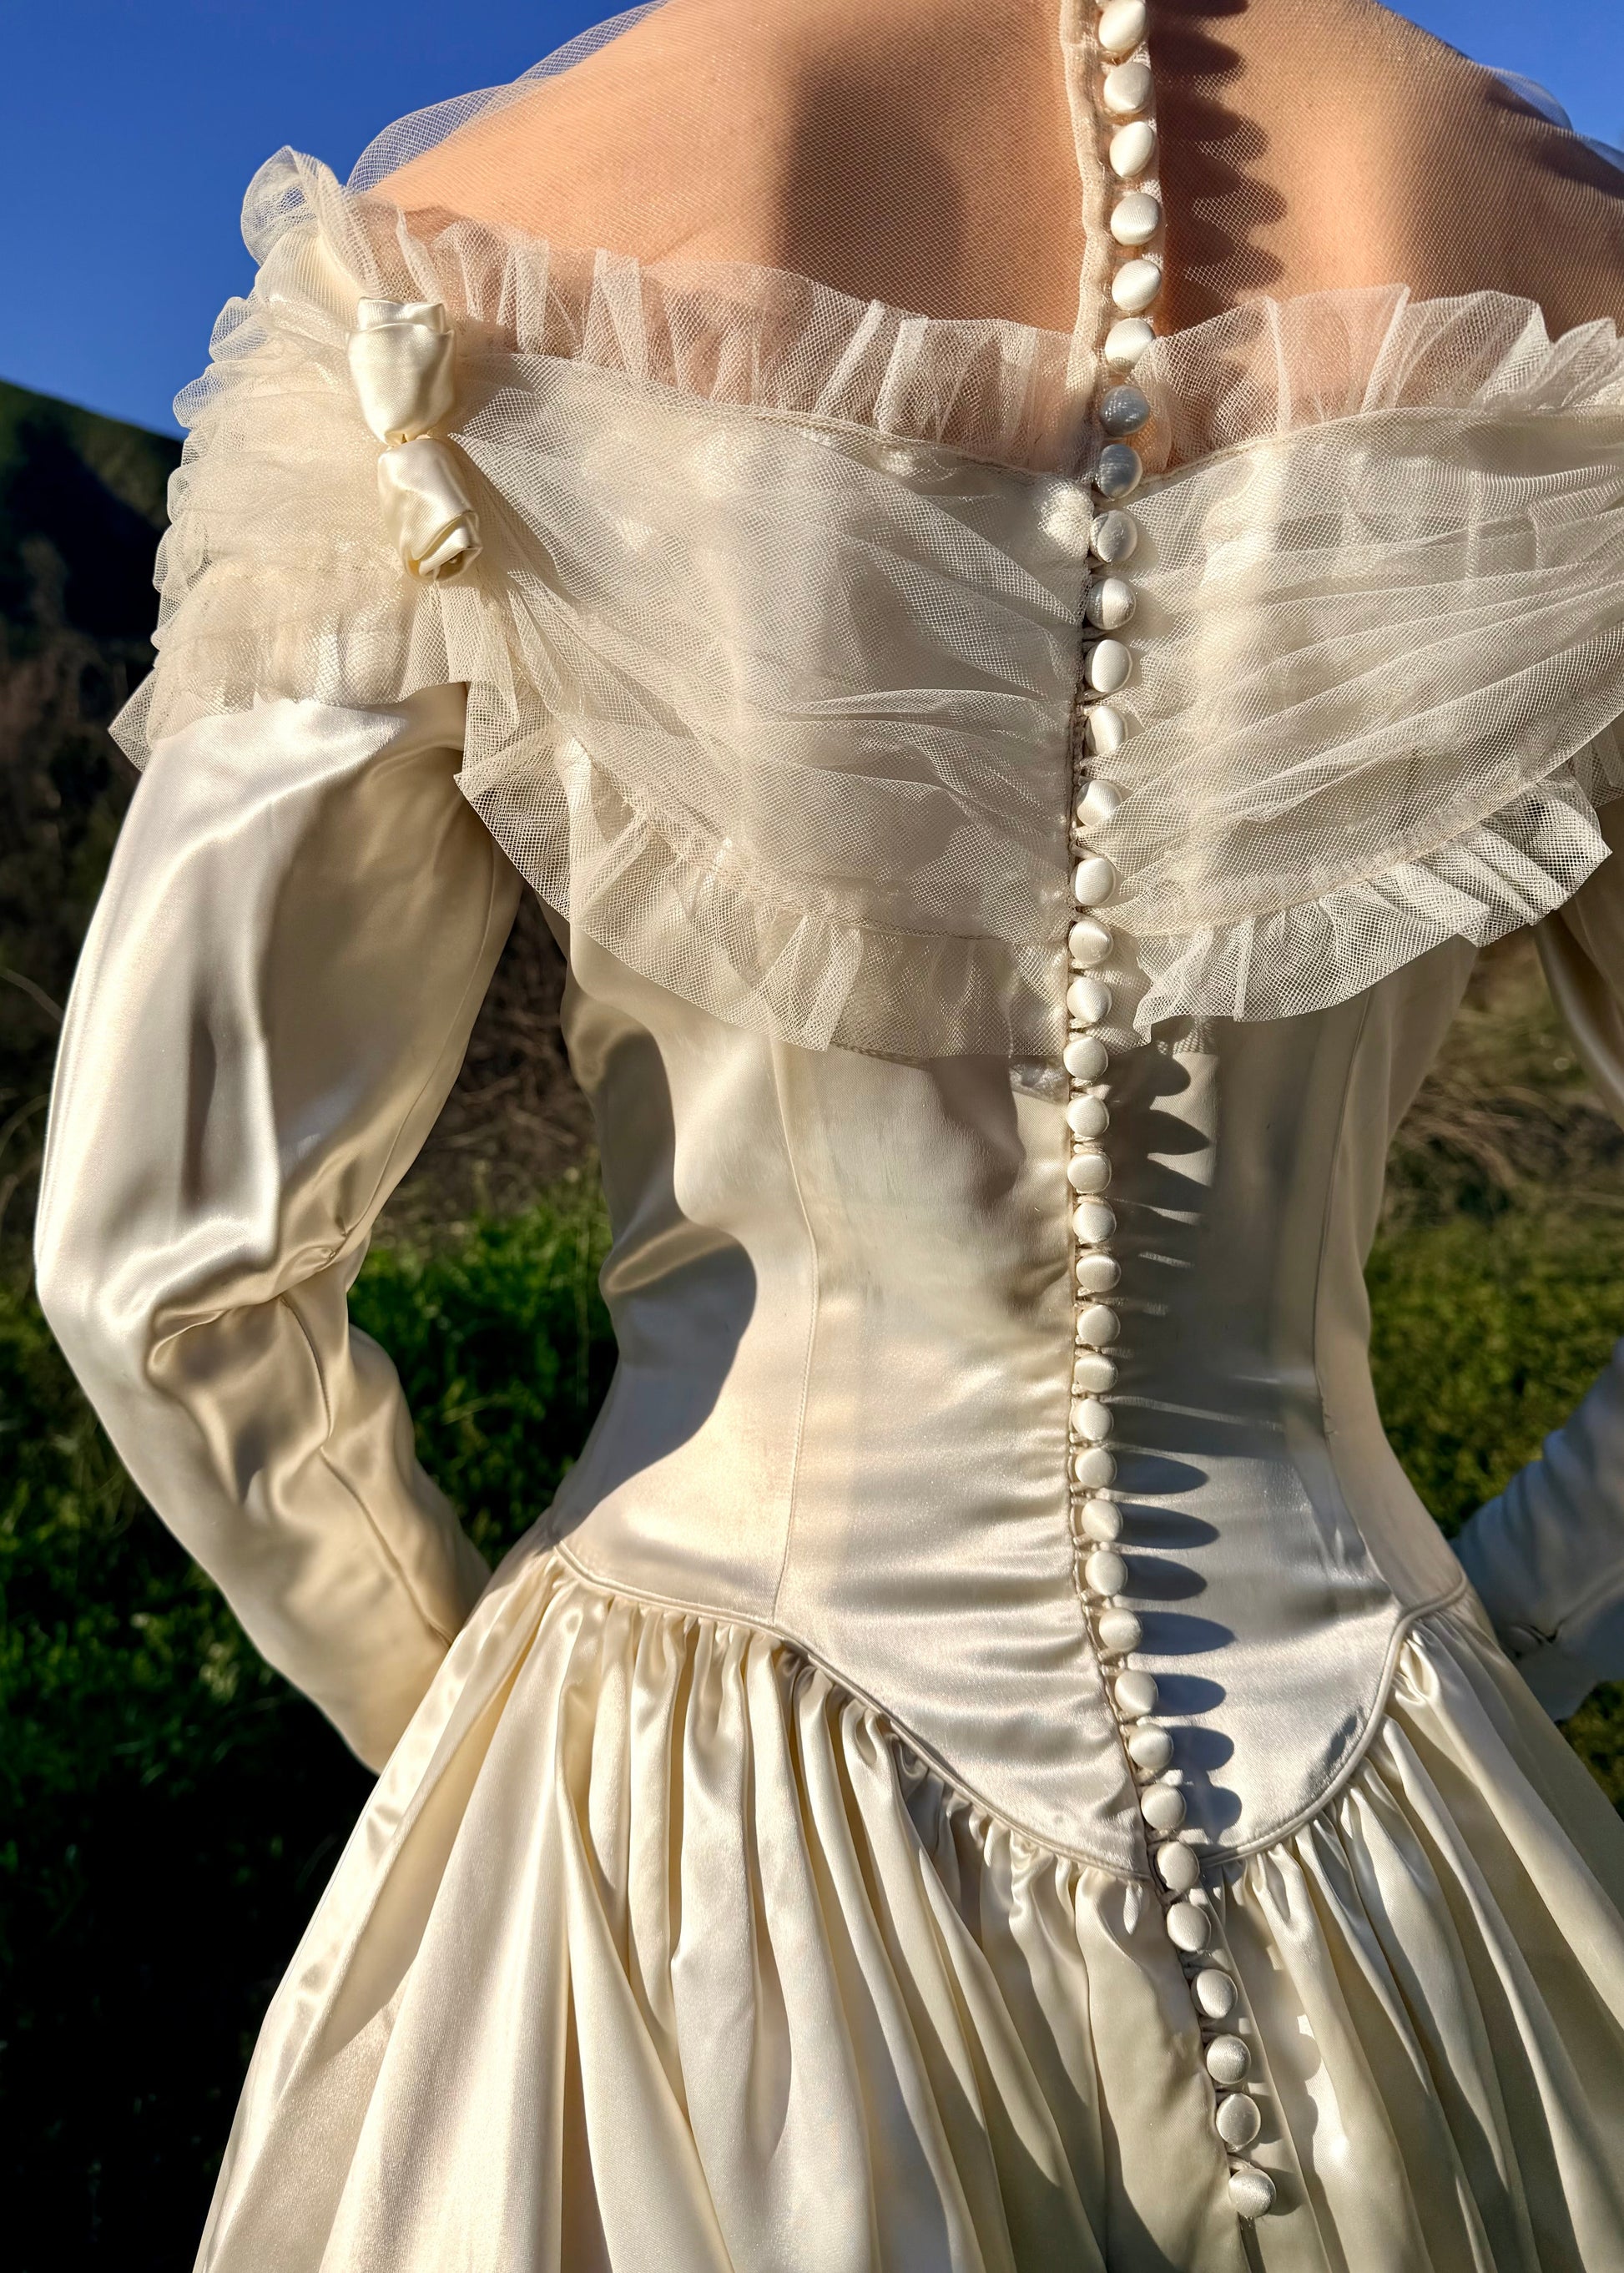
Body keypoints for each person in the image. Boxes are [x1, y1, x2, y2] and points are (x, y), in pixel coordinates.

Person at [32, 1, 1624, 2264]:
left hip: (678, 1847)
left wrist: (451, 1704)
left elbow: (164, 1272)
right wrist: (1501, 1614)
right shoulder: (1559, 264)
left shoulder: (458, 271)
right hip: (1391, 1827)